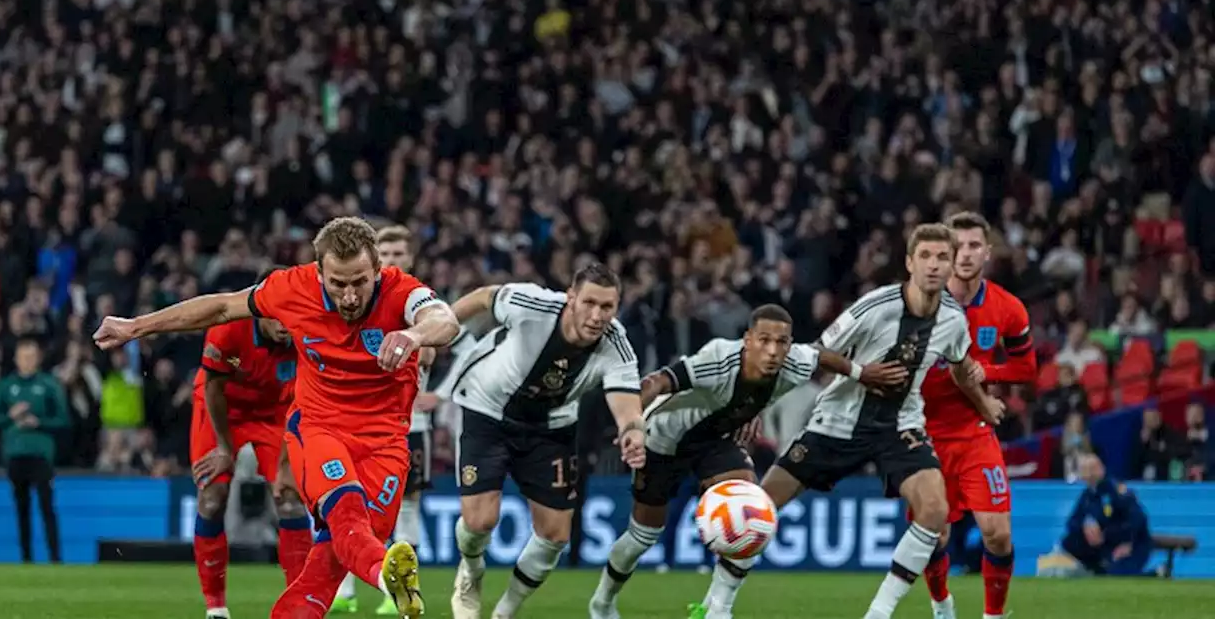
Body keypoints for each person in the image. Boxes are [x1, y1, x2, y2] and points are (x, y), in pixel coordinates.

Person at [93, 217, 461, 619]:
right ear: (319, 272)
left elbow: (445, 319)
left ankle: (375, 572)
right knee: (346, 511)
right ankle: (382, 574)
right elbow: (219, 306)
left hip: (386, 444)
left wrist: (414, 335)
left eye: (360, 281)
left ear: (378, 270)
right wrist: (136, 326)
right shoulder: (292, 288)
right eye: (338, 284)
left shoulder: (402, 292)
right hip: (320, 429)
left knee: (325, 570)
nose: (351, 297)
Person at [690, 223, 999, 619]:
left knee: (935, 509)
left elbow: (959, 365)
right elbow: (814, 353)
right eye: (925, 256)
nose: (934, 265)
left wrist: (983, 402)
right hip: (836, 423)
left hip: (899, 427)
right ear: (909, 262)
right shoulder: (875, 308)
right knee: (760, 508)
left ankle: (879, 613)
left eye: (943, 257)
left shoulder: (954, 320)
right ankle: (717, 607)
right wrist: (854, 374)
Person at [588, 304, 909, 619]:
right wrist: (631, 422)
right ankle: (602, 602)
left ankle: (719, 610)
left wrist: (860, 373)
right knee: (642, 537)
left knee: (752, 511)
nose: (772, 350)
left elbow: (820, 354)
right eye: (764, 340)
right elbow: (657, 381)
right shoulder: (718, 358)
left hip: (714, 441)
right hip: (663, 441)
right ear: (747, 340)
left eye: (781, 342)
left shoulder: (795, 361)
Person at [446, 264, 647, 619]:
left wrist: (632, 430)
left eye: (607, 307)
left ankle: (504, 612)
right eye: (589, 303)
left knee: (555, 535)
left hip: (550, 428)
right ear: (571, 298)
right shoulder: (533, 304)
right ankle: (471, 570)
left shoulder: (617, 344)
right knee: (479, 522)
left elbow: (627, 403)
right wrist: (442, 329)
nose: (597, 315)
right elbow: (482, 297)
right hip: (488, 409)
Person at [917, 212, 1037, 619]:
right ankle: (941, 604)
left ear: (987, 253)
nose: (965, 255)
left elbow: (1027, 369)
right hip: (922, 434)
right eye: (958, 247)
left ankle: (992, 616)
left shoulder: (1007, 308)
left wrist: (990, 371)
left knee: (997, 534)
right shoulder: (921, 301)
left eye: (973, 246)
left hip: (974, 432)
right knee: (934, 536)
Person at [334, 225, 440, 616]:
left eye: (400, 252)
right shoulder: (355, 300)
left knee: (406, 508)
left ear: (410, 258)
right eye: (387, 252)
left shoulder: (419, 303)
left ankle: (394, 591)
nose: (394, 259)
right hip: (356, 427)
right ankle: (344, 589)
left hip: (410, 428)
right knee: (349, 507)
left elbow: (428, 352)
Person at [188, 301, 311, 619]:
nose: (285, 324)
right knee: (213, 497)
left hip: (274, 413)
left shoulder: (305, 334)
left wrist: (285, 466)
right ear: (259, 313)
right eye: (278, 317)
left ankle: (298, 606)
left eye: (290, 316)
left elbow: (302, 401)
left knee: (291, 499)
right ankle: (216, 607)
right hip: (221, 410)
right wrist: (226, 449)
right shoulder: (228, 328)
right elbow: (213, 389)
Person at [0, 340, 70, 563]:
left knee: (46, 506)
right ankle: (26, 558)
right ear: (16, 359)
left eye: (31, 356)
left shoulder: (49, 385)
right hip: (15, 452)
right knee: (21, 507)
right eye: (23, 356)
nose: (27, 361)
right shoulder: (6, 386)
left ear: (39, 358)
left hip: (41, 453)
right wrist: (11, 416)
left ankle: (55, 557)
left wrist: (39, 423)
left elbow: (63, 420)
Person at [1060, 453, 1153, 575]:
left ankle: (1154, 575)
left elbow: (1138, 518)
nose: (1089, 473)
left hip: (1130, 543)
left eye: (1092, 468)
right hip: (1105, 545)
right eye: (1085, 469)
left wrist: (1127, 542)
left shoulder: (1115, 490)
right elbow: (1072, 522)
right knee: (1071, 541)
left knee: (1117, 574)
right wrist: (1086, 527)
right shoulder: (1088, 495)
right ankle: (1094, 568)